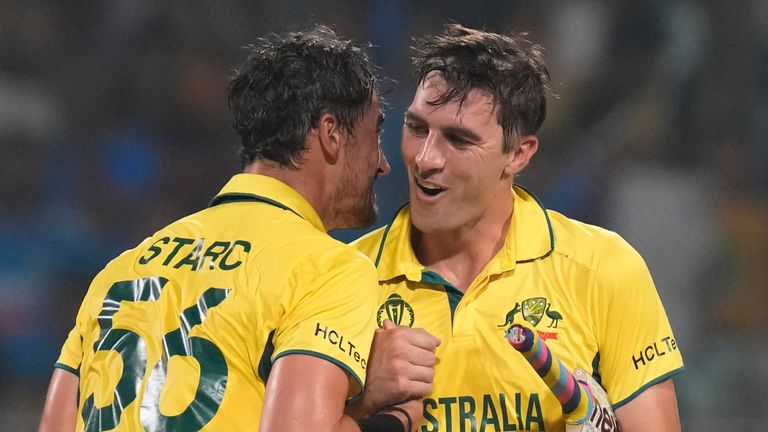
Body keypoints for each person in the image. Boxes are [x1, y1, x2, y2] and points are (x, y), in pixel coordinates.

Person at [39, 24, 438, 432]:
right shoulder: (326, 269)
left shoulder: (120, 271)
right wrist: (391, 417)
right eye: (375, 134)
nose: (383, 163)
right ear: (331, 134)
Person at [353, 24, 684, 431]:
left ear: (519, 154)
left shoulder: (604, 269)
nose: (425, 158)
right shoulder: (345, 277)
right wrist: (361, 397)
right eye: (417, 127)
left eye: (458, 139)